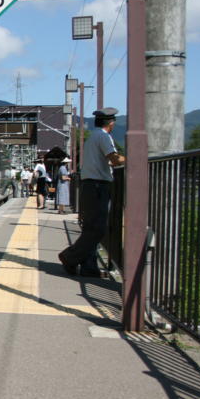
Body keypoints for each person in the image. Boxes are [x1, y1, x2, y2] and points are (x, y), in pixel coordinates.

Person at [58, 108, 126, 277]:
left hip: (89, 185)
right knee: (98, 229)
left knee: (90, 228)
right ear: (111, 123)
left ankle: (89, 267)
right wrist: (133, 157)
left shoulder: (91, 138)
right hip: (98, 187)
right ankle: (69, 256)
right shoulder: (104, 137)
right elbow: (114, 159)